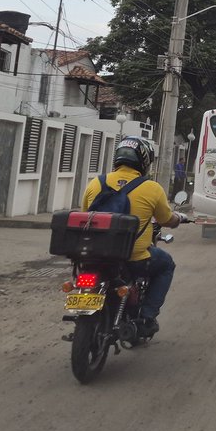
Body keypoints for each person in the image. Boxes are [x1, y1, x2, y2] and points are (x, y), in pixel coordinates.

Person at [82, 136, 185, 337]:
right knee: (166, 265)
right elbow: (165, 219)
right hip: (133, 257)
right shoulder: (152, 188)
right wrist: (178, 219)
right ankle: (146, 317)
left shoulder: (96, 183)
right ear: (144, 160)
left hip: (93, 254)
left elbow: (85, 214)